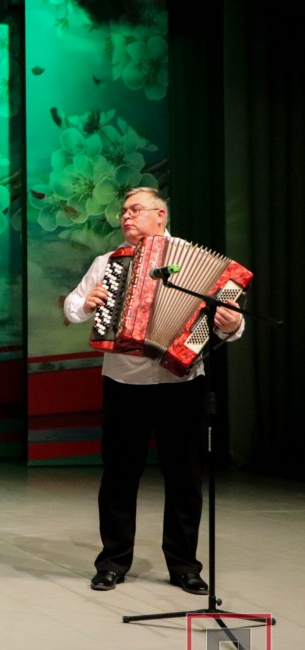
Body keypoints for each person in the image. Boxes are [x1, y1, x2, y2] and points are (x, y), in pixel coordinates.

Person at [64, 187, 244, 594]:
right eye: (123, 211)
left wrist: (233, 323)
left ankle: (184, 565)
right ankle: (113, 562)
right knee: (118, 476)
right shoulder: (108, 262)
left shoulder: (202, 263)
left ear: (160, 215)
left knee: (185, 478)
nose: (125, 217)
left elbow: (228, 322)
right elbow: (72, 308)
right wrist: (87, 304)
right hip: (124, 382)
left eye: (135, 209)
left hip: (182, 383)